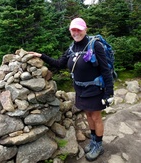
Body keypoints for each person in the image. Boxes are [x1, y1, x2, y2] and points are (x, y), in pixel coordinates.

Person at [27, 17, 114, 161]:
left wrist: (109, 92)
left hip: (95, 89)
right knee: (88, 115)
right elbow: (59, 63)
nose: (76, 33)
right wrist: (41, 56)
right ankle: (93, 140)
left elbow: (105, 70)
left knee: (96, 117)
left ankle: (98, 145)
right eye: (73, 30)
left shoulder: (95, 45)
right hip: (80, 90)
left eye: (78, 30)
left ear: (85, 29)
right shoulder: (72, 48)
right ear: (70, 31)